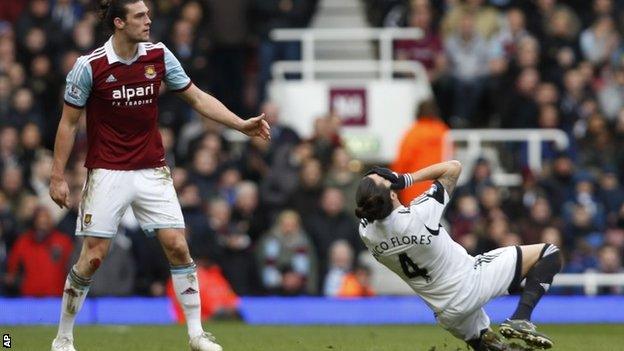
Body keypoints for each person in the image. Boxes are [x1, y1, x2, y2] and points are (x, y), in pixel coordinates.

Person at [48, 1, 270, 351]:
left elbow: (196, 98)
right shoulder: (88, 66)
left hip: (152, 169)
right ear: (119, 23)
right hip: (107, 171)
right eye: (140, 16)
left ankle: (197, 335)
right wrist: (58, 175)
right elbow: (69, 123)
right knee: (92, 257)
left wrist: (241, 124)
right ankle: (63, 337)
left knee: (178, 246)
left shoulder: (159, 55)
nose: (149, 20)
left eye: (148, 13)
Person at [355, 161, 562, 351]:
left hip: (446, 313)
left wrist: (379, 184)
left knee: (487, 344)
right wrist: (406, 179)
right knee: (549, 254)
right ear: (392, 194)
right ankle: (521, 317)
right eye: (385, 180)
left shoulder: (367, 234)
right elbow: (453, 168)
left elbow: (372, 211)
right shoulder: (419, 215)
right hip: (471, 283)